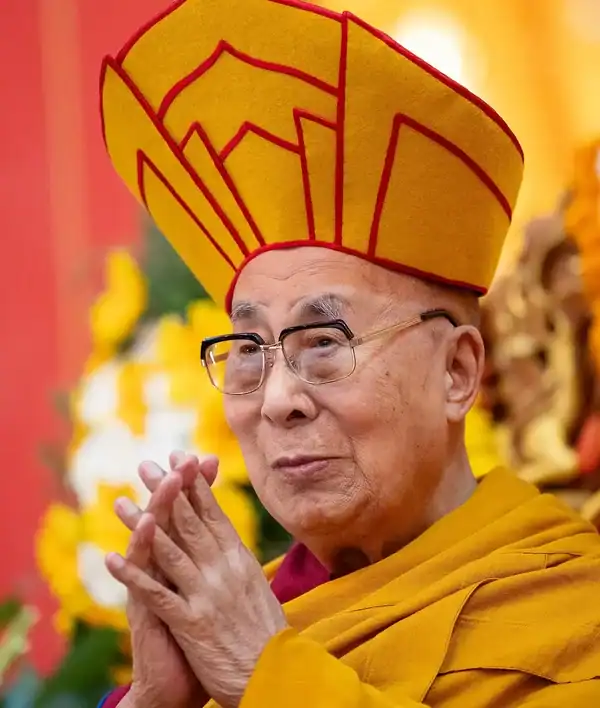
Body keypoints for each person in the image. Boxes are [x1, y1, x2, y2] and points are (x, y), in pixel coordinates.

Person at [98, 0, 600, 706]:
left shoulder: (571, 613)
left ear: (457, 371)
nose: (278, 400)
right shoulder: (234, 620)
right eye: (249, 350)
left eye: (325, 343)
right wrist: (155, 698)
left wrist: (263, 675)